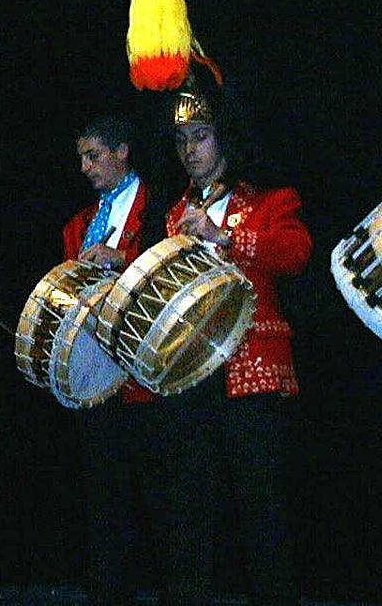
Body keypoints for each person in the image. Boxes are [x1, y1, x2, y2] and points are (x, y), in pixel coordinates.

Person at [141, 81, 311, 606]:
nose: (190, 149)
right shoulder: (174, 213)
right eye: (181, 139)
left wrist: (225, 237)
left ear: (225, 138)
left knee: (261, 507)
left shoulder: (268, 200)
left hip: (250, 372)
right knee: (188, 506)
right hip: (192, 374)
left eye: (201, 136)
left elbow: (296, 253)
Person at [62, 115, 159, 605]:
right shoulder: (79, 225)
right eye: (81, 157)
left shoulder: (159, 206)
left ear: (122, 151)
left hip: (148, 375)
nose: (85, 167)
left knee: (158, 497)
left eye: (93, 156)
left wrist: (122, 259)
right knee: (103, 497)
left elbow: (170, 262)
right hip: (98, 376)